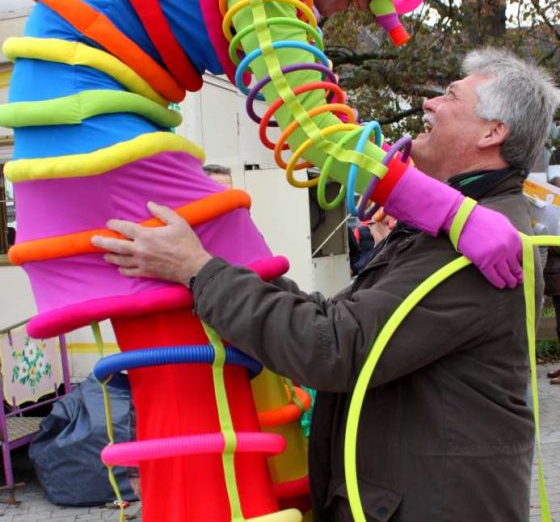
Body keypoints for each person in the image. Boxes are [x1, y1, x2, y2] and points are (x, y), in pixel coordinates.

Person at [92, 48, 559, 521]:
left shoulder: (482, 248)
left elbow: (334, 347)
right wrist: (227, 263)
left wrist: (199, 272)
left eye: (451, 97)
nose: (430, 105)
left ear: (492, 131)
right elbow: (338, 317)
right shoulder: (454, 227)